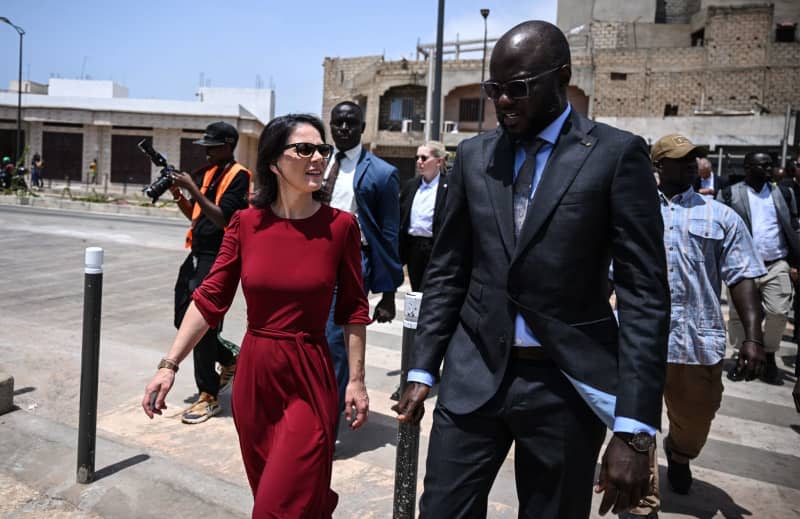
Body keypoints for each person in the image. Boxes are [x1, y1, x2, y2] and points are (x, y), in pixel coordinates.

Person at [393, 20, 670, 518]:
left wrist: (635, 428)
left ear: (560, 77)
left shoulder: (614, 155)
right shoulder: (475, 157)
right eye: (494, 89)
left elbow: (645, 297)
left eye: (517, 88)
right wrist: (421, 368)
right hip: (473, 376)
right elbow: (448, 271)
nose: (502, 102)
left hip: (564, 386)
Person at [142, 113, 371, 517]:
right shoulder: (245, 224)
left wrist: (355, 380)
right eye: (304, 149)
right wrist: (169, 364)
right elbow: (211, 297)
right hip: (256, 380)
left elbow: (353, 308)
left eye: (322, 149)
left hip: (309, 375)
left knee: (276, 506)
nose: (317, 157)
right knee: (275, 493)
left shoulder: (340, 228)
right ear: (274, 161)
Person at [622, 134, 766, 519]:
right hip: (641, 341)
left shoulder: (721, 216)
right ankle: (641, 500)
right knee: (638, 424)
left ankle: (681, 455)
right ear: (658, 167)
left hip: (697, 341)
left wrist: (752, 337)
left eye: (694, 160)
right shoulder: (633, 212)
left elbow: (742, 277)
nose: (691, 166)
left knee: (695, 422)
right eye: (681, 161)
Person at [321, 101, 403, 435]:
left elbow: (388, 235)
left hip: (352, 263)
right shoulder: (318, 161)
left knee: (334, 341)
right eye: (338, 123)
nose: (343, 129)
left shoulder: (382, 173)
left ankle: (327, 422)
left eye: (350, 123)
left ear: (362, 128)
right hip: (311, 259)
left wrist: (388, 293)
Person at [168, 121, 251, 424]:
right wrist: (180, 193)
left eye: (212, 147)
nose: (206, 153)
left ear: (228, 145)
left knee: (202, 323)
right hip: (196, 253)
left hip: (219, 257)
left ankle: (208, 395)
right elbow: (196, 213)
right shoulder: (206, 174)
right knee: (183, 320)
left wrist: (192, 188)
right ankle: (229, 357)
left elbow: (223, 220)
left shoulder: (239, 176)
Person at [717, 152, 800, 385]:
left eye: (770, 165)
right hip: (741, 266)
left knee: (778, 311)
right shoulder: (729, 193)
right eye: (763, 165)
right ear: (747, 167)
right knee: (737, 315)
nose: (769, 168)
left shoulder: (783, 193)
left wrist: (794, 262)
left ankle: (769, 354)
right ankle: (744, 357)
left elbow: (793, 226)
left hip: (776, 263)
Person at [400, 141, 448, 291]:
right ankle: (417, 315)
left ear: (439, 161)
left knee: (433, 292)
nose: (419, 161)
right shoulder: (411, 185)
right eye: (417, 158)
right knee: (416, 291)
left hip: (436, 249)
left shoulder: (450, 186)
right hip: (413, 249)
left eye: (424, 158)